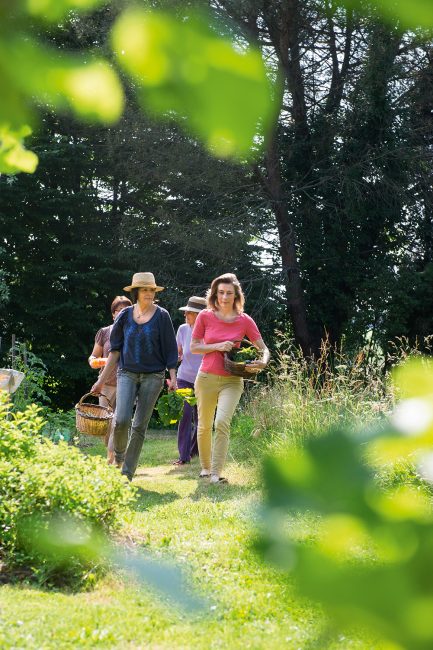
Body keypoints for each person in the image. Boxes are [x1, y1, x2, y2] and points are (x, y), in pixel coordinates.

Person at [91, 272, 178, 481]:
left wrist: (173, 376)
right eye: (145, 290)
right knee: (121, 420)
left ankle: (127, 472)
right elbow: (114, 352)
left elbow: (170, 348)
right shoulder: (124, 316)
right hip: (126, 372)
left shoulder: (162, 315)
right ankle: (119, 456)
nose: (149, 293)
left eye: (151, 290)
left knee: (139, 426)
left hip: (154, 376)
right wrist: (101, 380)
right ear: (137, 292)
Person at [191, 273, 270, 484]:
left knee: (222, 422)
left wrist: (263, 362)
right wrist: (217, 346)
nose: (225, 297)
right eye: (221, 293)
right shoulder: (205, 316)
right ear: (215, 294)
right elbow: (194, 347)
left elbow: (263, 348)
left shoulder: (244, 320)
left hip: (232, 380)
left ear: (236, 296)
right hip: (206, 377)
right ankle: (206, 468)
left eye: (229, 293)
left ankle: (216, 473)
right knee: (205, 425)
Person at [88, 295, 132, 464]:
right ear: (113, 314)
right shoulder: (105, 332)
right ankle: (113, 453)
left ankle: (113, 458)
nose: (122, 314)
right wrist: (93, 361)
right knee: (105, 424)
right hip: (105, 384)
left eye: (125, 311)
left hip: (126, 383)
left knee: (118, 422)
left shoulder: (132, 334)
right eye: (118, 311)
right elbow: (94, 355)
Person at [172, 295, 207, 466]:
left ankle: (194, 450)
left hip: (203, 379)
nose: (185, 315)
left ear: (199, 315)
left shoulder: (208, 331)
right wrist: (174, 362)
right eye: (186, 312)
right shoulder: (182, 329)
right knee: (184, 415)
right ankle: (183, 456)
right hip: (184, 377)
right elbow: (178, 353)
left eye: (189, 312)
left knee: (201, 419)